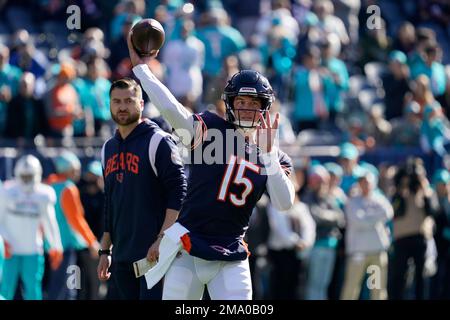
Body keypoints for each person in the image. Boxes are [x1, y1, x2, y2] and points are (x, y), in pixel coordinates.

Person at [128, 31, 295, 300]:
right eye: (241, 101)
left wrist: (268, 156)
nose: (246, 109)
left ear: (264, 109)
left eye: (253, 103)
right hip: (188, 248)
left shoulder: (274, 156)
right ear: (229, 104)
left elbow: (284, 203)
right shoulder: (212, 129)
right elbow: (172, 110)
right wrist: (142, 71)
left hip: (231, 254)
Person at [97, 78, 187, 300]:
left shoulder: (159, 141)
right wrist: (105, 250)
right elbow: (110, 201)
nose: (122, 106)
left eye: (128, 100)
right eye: (116, 101)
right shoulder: (108, 147)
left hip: (155, 255)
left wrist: (162, 240)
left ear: (141, 102)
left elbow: (179, 193)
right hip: (121, 256)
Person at [0, 155, 63, 300]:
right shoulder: (7, 191)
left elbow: (50, 222)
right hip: (11, 250)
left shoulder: (43, 194)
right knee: (5, 290)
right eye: (24, 176)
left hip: (33, 250)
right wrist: (4, 241)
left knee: (33, 290)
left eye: (30, 176)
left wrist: (56, 246)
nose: (27, 180)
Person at [45, 151, 100, 300]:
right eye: (75, 170)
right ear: (68, 170)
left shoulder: (47, 185)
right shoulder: (68, 188)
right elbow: (77, 220)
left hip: (51, 246)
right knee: (68, 290)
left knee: (62, 288)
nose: (77, 173)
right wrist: (92, 242)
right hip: (67, 247)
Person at [341, 171, 393, 300]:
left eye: (367, 182)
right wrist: (375, 218)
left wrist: (366, 217)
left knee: (377, 290)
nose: (365, 185)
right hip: (358, 253)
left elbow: (387, 213)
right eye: (362, 182)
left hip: (376, 252)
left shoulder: (379, 199)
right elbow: (357, 221)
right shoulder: (352, 202)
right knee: (351, 289)